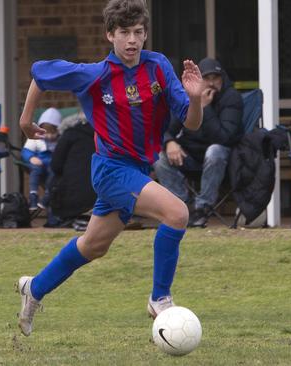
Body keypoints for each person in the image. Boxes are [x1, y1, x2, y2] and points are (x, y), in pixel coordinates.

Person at [15, 0, 205, 337]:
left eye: (138, 32)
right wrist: (26, 120)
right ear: (109, 35)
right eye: (124, 33)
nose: (132, 40)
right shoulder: (95, 74)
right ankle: (159, 299)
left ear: (145, 34)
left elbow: (191, 124)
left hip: (137, 171)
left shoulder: (158, 67)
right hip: (110, 170)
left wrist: (194, 98)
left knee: (93, 246)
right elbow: (39, 72)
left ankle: (35, 288)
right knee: (177, 213)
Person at [153, 58, 244, 227]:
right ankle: (182, 206)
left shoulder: (231, 98)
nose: (211, 83)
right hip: (190, 154)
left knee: (214, 151)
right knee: (159, 157)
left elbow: (224, 137)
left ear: (222, 78)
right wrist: (170, 142)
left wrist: (204, 108)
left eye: (215, 78)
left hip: (222, 158)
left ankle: (202, 208)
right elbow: (165, 128)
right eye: (206, 78)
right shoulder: (187, 97)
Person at [49, 112, 97, 226]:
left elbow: (56, 165)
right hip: (100, 198)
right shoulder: (105, 135)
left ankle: (54, 218)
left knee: (53, 179)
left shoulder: (69, 134)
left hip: (71, 201)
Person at [21, 107, 61, 210]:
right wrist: (31, 158)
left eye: (52, 132)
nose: (49, 135)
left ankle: (46, 197)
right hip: (39, 161)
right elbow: (26, 151)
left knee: (54, 174)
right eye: (45, 132)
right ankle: (33, 195)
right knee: (35, 169)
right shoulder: (36, 138)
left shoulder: (60, 139)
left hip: (53, 164)